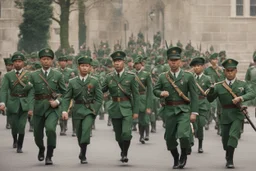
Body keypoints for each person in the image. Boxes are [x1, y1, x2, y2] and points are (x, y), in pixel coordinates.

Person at [153, 47, 198, 169]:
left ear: (181, 61)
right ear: (168, 61)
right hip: (169, 110)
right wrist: (160, 93)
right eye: (171, 60)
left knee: (183, 135)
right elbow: (155, 90)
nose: (174, 62)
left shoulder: (188, 76)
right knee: (170, 138)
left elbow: (194, 96)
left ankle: (183, 156)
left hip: (183, 109)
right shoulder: (163, 76)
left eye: (176, 60)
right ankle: (176, 157)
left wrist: (194, 112)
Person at [207, 58, 255, 168]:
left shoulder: (242, 84)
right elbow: (210, 99)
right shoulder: (219, 86)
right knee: (225, 140)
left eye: (232, 70)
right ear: (224, 72)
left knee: (233, 136)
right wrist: (210, 91)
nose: (230, 73)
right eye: (227, 71)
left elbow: (252, 93)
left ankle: (230, 160)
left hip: (237, 114)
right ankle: (228, 153)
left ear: (236, 71)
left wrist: (241, 98)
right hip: (224, 114)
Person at [62, 56, 103, 164]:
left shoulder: (94, 81)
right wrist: (64, 110)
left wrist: (95, 110)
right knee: (79, 133)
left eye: (87, 66)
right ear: (78, 67)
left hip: (89, 110)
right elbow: (67, 97)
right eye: (82, 66)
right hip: (77, 109)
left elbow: (99, 98)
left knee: (86, 131)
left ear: (90, 68)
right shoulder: (72, 82)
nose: (84, 68)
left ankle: (83, 154)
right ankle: (82, 150)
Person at [30, 48, 67, 165]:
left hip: (52, 108)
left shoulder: (58, 74)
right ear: (40, 60)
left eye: (48, 59)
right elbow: (30, 93)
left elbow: (65, 93)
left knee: (51, 129)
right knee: (37, 134)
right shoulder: (33, 75)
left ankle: (49, 155)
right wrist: (30, 108)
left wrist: (58, 101)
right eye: (44, 59)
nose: (46, 61)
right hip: (38, 107)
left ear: (52, 61)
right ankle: (41, 148)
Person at [102, 51, 139, 163]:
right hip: (114, 108)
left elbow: (136, 95)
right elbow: (101, 90)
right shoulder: (109, 77)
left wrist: (136, 111)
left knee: (126, 133)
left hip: (127, 108)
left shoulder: (131, 77)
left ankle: (125, 153)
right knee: (118, 136)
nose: (117, 63)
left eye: (119, 61)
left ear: (124, 62)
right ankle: (122, 151)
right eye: (115, 61)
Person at [0, 52, 34, 153]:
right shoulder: (8, 76)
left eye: (20, 61)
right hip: (12, 103)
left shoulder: (29, 75)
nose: (18, 63)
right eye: (15, 61)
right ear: (13, 63)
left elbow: (31, 91)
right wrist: (2, 102)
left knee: (22, 126)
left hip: (24, 103)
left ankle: (20, 146)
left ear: (23, 63)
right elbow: (4, 90)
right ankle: (15, 139)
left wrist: (31, 107)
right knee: (14, 126)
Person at [189, 57, 211, 153]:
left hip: (202, 104)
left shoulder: (207, 78)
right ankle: (190, 142)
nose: (196, 68)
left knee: (201, 124)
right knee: (191, 125)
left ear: (202, 67)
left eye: (198, 66)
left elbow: (211, 89)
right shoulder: (190, 77)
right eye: (194, 66)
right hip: (192, 104)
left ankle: (200, 145)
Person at [133, 57, 153, 144]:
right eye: (136, 64)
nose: (137, 65)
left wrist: (149, 105)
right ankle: (141, 136)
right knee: (140, 119)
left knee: (145, 118)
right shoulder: (132, 74)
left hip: (144, 97)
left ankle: (147, 134)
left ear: (142, 64)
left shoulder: (146, 74)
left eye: (139, 64)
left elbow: (149, 90)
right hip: (136, 98)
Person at [56, 56, 76, 136]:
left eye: (64, 61)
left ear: (66, 62)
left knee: (73, 111)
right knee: (62, 110)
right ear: (59, 63)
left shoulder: (71, 71)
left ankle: (74, 130)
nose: (63, 62)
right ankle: (63, 129)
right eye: (61, 61)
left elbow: (74, 82)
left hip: (70, 94)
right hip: (61, 94)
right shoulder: (56, 72)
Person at [3, 58, 14, 129]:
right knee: (8, 109)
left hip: (12, 93)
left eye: (10, 65)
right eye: (7, 65)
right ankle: (8, 123)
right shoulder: (3, 75)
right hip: (5, 93)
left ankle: (11, 122)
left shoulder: (14, 74)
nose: (8, 67)